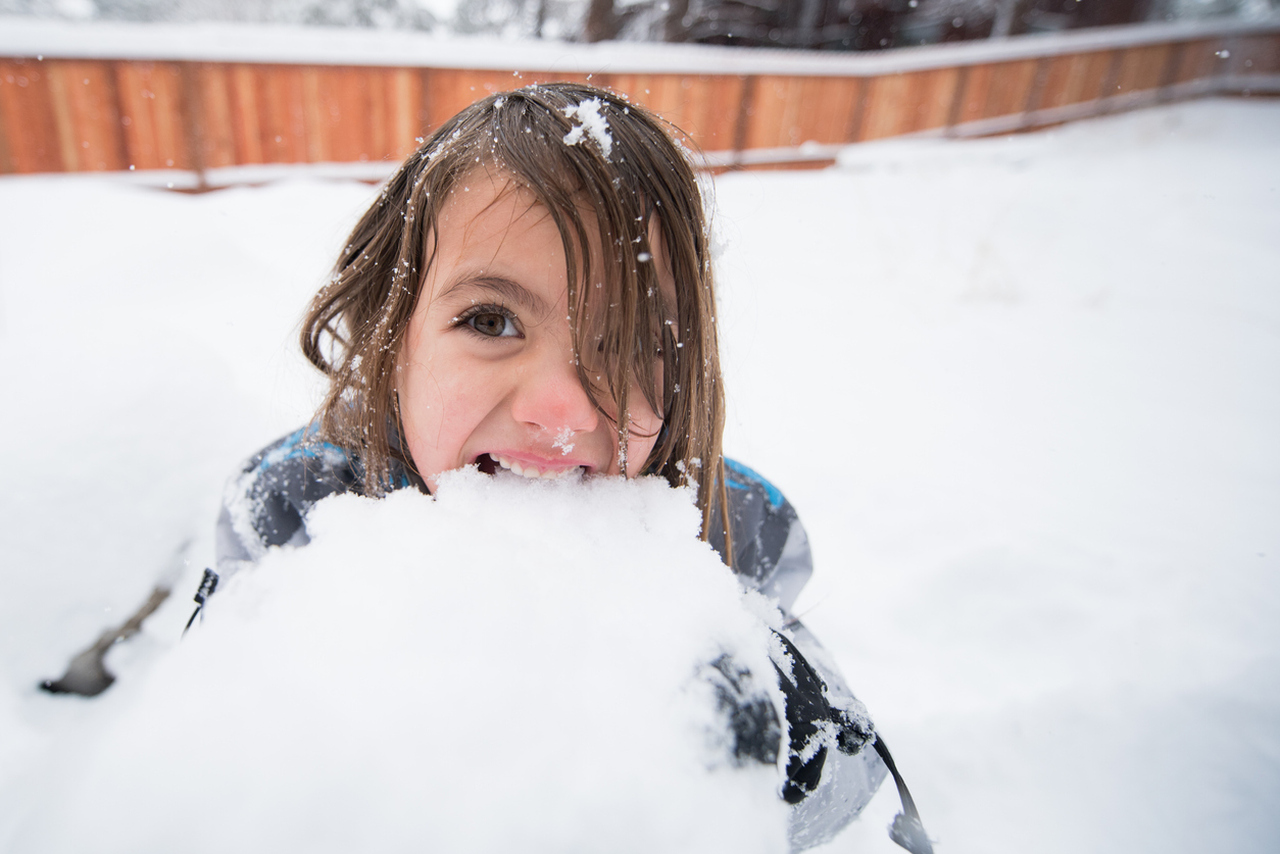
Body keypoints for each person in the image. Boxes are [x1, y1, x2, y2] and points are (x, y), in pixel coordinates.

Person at [201, 83, 927, 852]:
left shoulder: (731, 531)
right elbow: (209, 761)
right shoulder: (293, 513)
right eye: (490, 320)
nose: (563, 410)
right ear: (397, 339)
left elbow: (862, 819)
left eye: (629, 341)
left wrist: (770, 734)